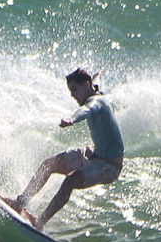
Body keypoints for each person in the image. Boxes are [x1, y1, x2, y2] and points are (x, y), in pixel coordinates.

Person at [7, 67, 124, 229]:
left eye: (75, 89)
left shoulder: (96, 102)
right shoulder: (95, 89)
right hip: (92, 154)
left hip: (109, 166)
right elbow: (96, 82)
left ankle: (40, 222)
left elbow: (87, 109)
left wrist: (72, 119)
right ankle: (20, 203)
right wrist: (99, 75)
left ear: (86, 85)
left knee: (70, 180)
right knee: (49, 164)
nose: (72, 95)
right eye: (70, 91)